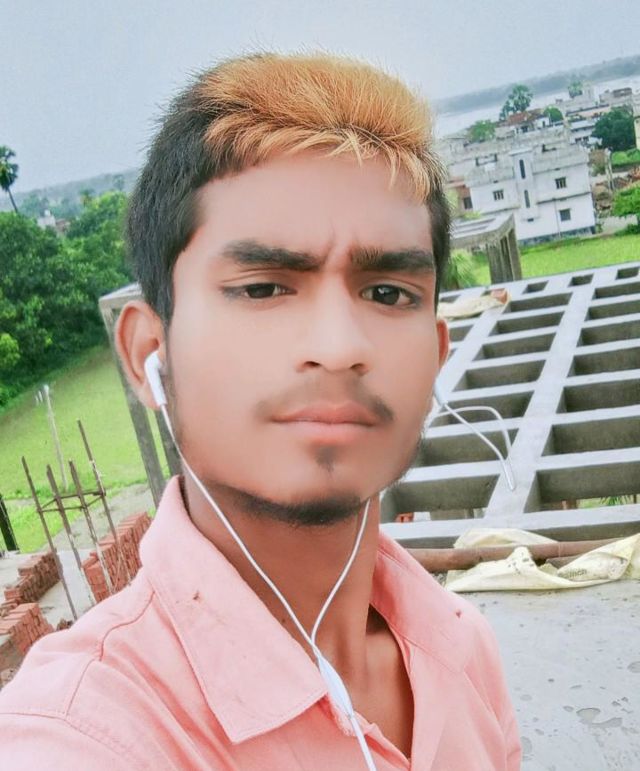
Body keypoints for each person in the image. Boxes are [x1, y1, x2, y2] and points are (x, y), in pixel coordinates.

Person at [0, 52, 521, 770]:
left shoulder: (462, 644)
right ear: (150, 351)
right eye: (263, 288)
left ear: (434, 355)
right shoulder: (86, 733)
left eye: (387, 293)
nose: (339, 347)